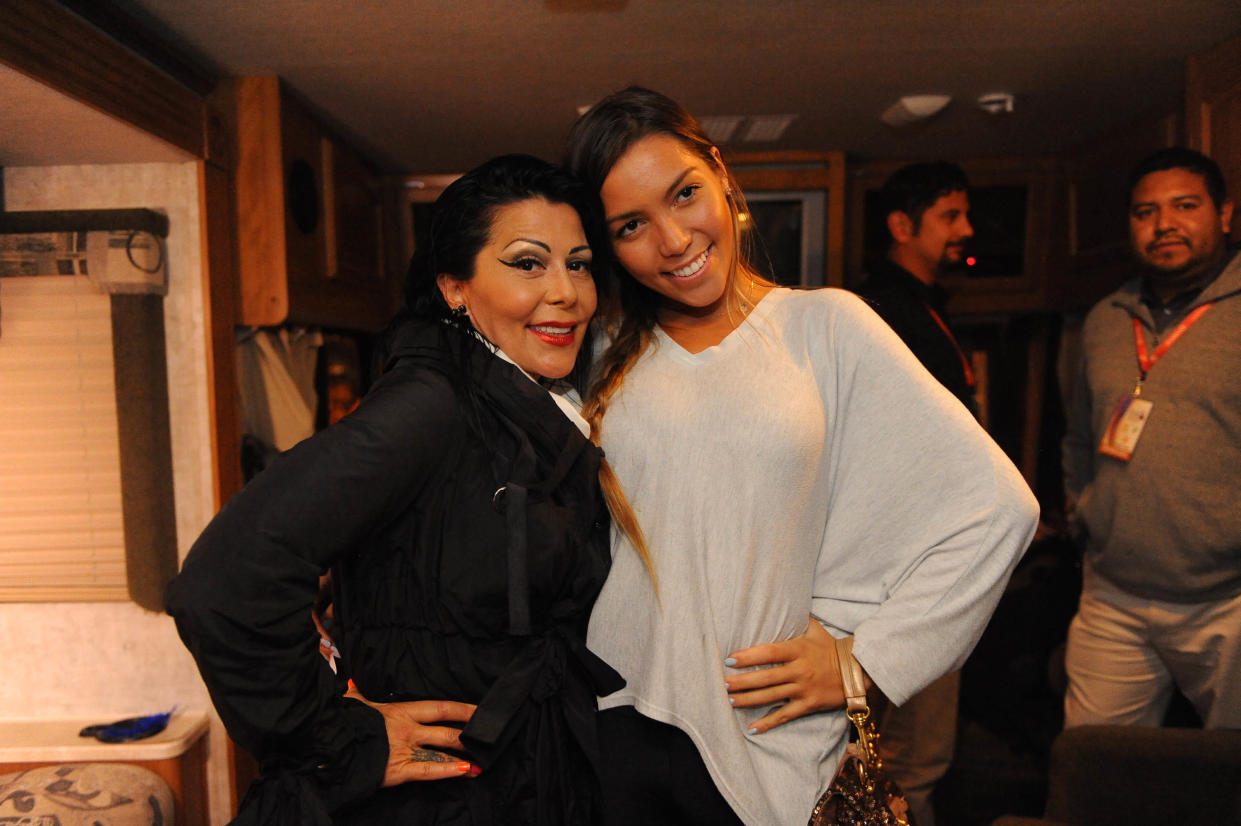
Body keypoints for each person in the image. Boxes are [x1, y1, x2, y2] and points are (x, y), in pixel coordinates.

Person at [565, 86, 1040, 826]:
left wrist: (869, 660)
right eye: (631, 225)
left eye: (683, 194)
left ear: (719, 173)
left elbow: (997, 510)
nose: (672, 239)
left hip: (765, 738)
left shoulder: (824, 327)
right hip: (614, 719)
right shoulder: (598, 355)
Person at [167, 154, 630, 825]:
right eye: (528, 263)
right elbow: (224, 582)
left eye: (579, 263)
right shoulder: (430, 406)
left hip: (521, 781)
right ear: (453, 287)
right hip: (437, 800)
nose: (566, 292)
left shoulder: (529, 411)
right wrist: (336, 737)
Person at [1061, 146, 1241, 730]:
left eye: (1185, 206)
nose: (1164, 224)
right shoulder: (1106, 319)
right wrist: (1084, 508)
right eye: (1145, 212)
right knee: (1092, 771)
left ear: (1224, 214)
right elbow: (1080, 436)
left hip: (1228, 602)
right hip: (1114, 594)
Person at [852, 161, 978, 825]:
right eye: (950, 216)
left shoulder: (927, 309)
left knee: (908, 756)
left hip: (929, 557)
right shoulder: (883, 315)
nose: (966, 229)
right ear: (901, 227)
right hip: (905, 570)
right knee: (906, 758)